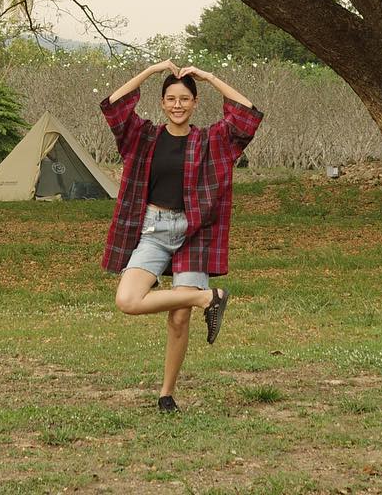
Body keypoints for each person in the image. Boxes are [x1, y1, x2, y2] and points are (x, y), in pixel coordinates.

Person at [100, 58, 262, 415]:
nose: (177, 105)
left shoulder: (210, 141)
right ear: (162, 103)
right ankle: (208, 298)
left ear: (194, 103)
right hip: (154, 231)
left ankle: (167, 394)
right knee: (127, 300)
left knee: (178, 317)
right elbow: (113, 106)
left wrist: (209, 76)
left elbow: (248, 117)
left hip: (193, 233)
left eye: (184, 99)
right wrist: (151, 71)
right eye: (171, 99)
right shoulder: (143, 137)